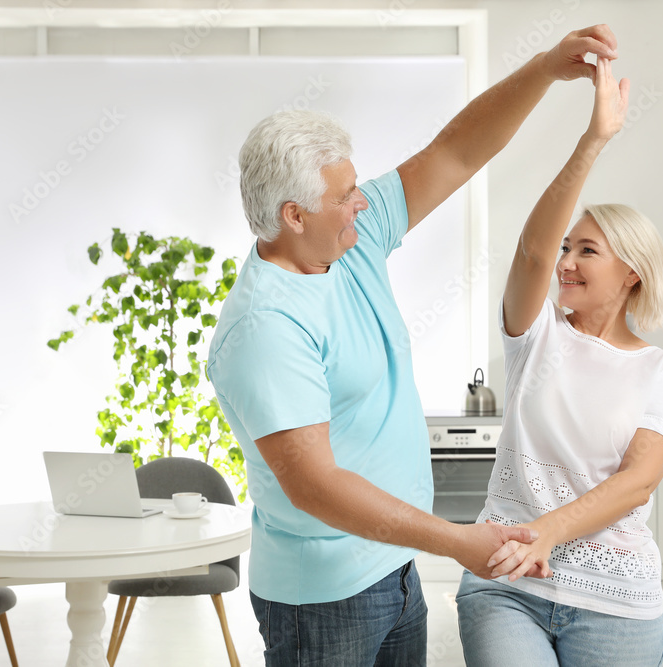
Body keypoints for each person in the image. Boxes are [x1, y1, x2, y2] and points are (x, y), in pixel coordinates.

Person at [207, 26, 621, 666]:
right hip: (322, 599)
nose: (361, 202)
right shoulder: (266, 326)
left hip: (394, 572)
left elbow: (454, 152)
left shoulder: (348, 242)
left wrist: (542, 69)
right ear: (294, 215)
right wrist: (456, 541)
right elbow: (315, 486)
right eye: (344, 196)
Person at [455, 56, 663, 666]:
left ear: (632, 271)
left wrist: (549, 534)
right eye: (567, 248)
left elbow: (638, 481)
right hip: (508, 583)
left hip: (616, 601)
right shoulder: (537, 335)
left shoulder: (661, 369)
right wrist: (593, 141)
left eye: (587, 250)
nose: (565, 263)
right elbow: (531, 253)